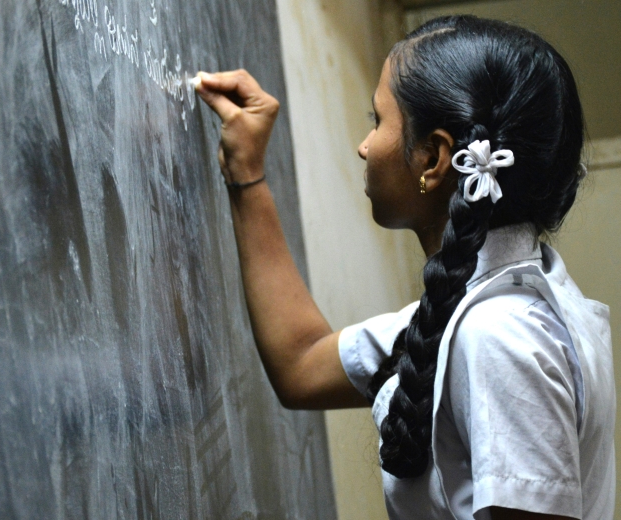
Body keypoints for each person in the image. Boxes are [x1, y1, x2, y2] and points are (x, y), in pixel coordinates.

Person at [194, 15, 615, 520]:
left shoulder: (499, 335)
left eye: (377, 121)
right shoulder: (478, 309)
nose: (364, 146)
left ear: (435, 159)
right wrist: (248, 174)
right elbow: (302, 364)